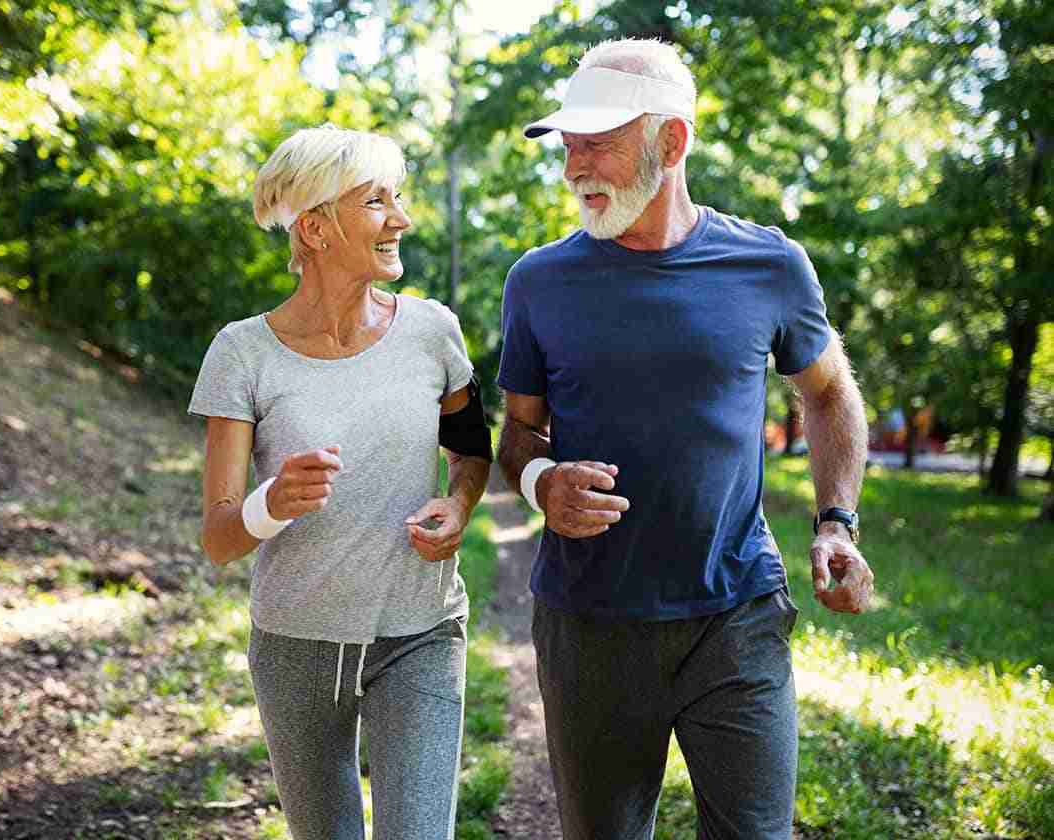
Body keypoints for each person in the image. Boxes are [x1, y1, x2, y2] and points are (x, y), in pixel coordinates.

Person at [495, 38, 874, 840]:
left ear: (670, 143)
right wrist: (540, 485)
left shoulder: (769, 265)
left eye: (596, 143)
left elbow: (831, 394)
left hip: (734, 616)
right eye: (567, 147)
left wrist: (836, 522)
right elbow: (518, 433)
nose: (573, 168)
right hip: (587, 621)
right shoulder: (537, 281)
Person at [190, 126, 492, 840]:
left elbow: (471, 448)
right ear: (317, 228)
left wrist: (458, 502)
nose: (400, 219)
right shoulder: (242, 354)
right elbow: (218, 538)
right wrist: (273, 503)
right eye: (376, 202)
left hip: (421, 630)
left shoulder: (432, 331)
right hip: (295, 642)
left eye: (398, 198)